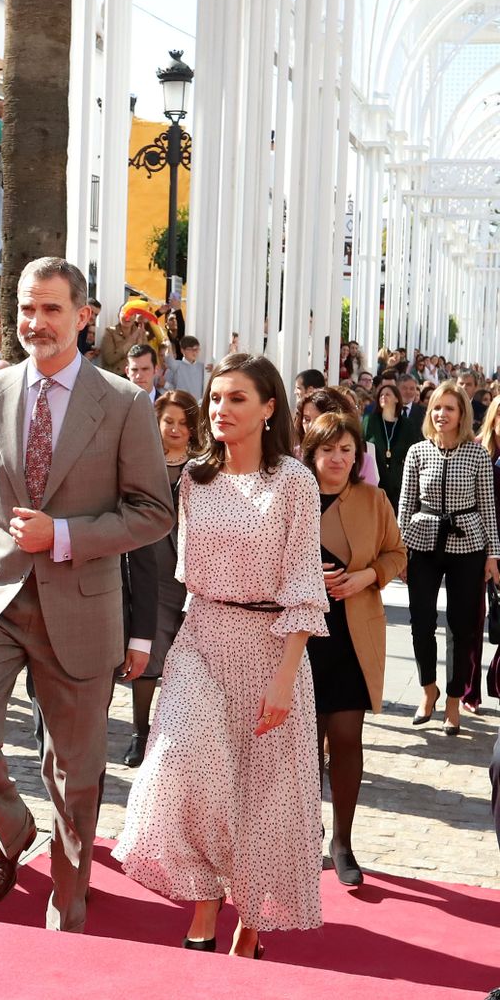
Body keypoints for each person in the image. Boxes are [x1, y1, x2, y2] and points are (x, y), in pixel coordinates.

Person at [0, 257, 173, 932]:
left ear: (84, 315)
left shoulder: (124, 404)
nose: (36, 323)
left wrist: (64, 534)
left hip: (83, 604)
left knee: (78, 774)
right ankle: (12, 827)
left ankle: (67, 907)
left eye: (52, 310)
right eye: (27, 310)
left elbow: (153, 512)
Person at [116, 353, 329, 958]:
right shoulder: (194, 481)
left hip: (270, 648)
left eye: (237, 399)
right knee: (185, 766)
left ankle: (248, 929)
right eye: (214, 398)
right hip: (202, 639)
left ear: (268, 409)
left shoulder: (294, 482)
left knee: (259, 793)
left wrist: (286, 675)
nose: (221, 410)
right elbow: (176, 568)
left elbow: (302, 579)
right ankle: (204, 908)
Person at [300, 411, 406, 887]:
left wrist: (367, 576)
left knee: (345, 739)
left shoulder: (374, 499)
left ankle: (342, 840)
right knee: (300, 744)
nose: (337, 458)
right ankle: (302, 833)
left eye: (346, 450)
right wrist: (306, 579)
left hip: (352, 635)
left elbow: (396, 554)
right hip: (298, 636)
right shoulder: (291, 497)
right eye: (328, 450)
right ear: (311, 452)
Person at [397, 379, 499, 735]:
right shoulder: (417, 452)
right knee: (421, 621)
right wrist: (397, 551)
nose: (441, 414)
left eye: (449, 409)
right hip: (422, 541)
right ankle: (428, 690)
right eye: (437, 408)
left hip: (467, 544)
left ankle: (454, 700)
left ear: (462, 415)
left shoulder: (476, 455)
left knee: (461, 626)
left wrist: (493, 556)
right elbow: (405, 505)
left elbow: (488, 508)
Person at [118, 389, 201, 768]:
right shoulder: (140, 461)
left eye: (183, 423)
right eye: (169, 420)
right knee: (146, 648)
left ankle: (183, 736)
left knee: (187, 657)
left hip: (189, 568)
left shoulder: (203, 468)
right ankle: (140, 732)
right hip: (146, 563)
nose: (175, 428)